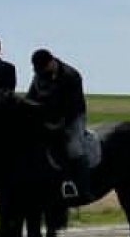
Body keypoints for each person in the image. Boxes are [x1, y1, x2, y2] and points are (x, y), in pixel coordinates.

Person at [26, 48, 89, 192]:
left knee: (74, 147)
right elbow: (30, 98)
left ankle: (83, 185)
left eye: (43, 68)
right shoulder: (39, 74)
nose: (40, 72)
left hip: (72, 117)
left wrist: (57, 124)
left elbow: (72, 107)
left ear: (51, 62)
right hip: (46, 117)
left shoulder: (71, 76)